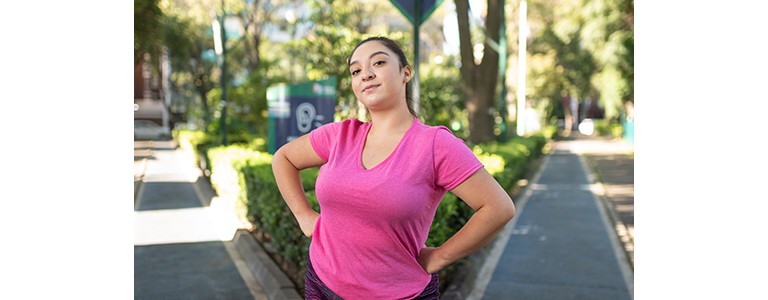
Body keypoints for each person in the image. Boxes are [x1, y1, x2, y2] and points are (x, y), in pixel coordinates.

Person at [271, 36, 516, 299]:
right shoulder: (340, 135)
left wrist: (440, 257)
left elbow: (498, 208)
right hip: (322, 283)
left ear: (405, 73)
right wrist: (304, 215)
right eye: (356, 70)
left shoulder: (435, 144)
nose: (366, 74)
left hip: (400, 294)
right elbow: (283, 158)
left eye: (378, 62)